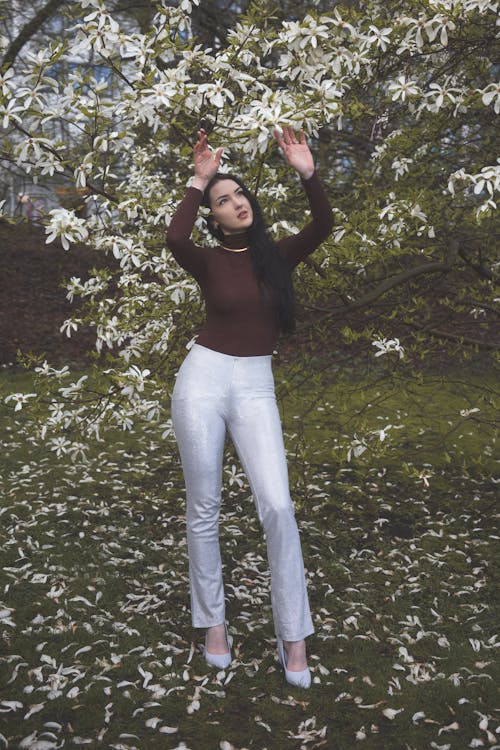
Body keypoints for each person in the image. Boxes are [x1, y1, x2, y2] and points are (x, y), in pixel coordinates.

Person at [166, 126, 333, 688]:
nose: (235, 204)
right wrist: (197, 181)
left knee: (278, 506)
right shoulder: (209, 260)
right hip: (203, 379)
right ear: (214, 215)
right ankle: (213, 623)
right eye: (223, 200)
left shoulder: (277, 257)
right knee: (204, 506)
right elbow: (174, 239)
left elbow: (324, 226)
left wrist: (308, 174)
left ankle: (294, 634)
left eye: (240, 197)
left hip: (255, 383)